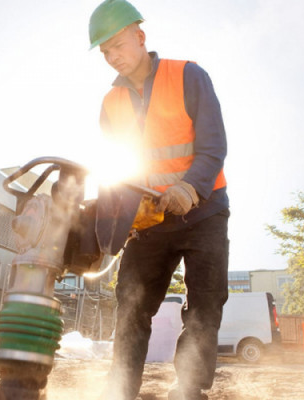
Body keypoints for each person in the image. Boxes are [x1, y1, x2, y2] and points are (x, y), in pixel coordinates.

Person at [88, 1, 229, 399]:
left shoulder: (188, 75)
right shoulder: (110, 104)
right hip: (148, 222)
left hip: (205, 211)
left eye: (117, 45)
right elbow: (114, 170)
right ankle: (120, 392)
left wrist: (190, 188)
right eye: (105, 52)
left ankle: (188, 390)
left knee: (204, 305)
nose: (112, 57)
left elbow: (213, 145)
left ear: (140, 36)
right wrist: (112, 224)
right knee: (131, 307)